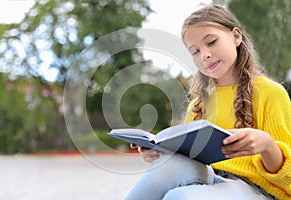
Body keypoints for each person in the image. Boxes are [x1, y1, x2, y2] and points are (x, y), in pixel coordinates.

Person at [124, 4, 291, 200]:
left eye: (211, 42)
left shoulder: (269, 93)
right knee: (169, 165)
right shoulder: (198, 105)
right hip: (211, 180)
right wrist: (160, 153)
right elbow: (188, 161)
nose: (204, 55)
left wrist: (267, 146)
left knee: (180, 197)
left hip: (258, 191)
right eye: (194, 51)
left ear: (236, 36)